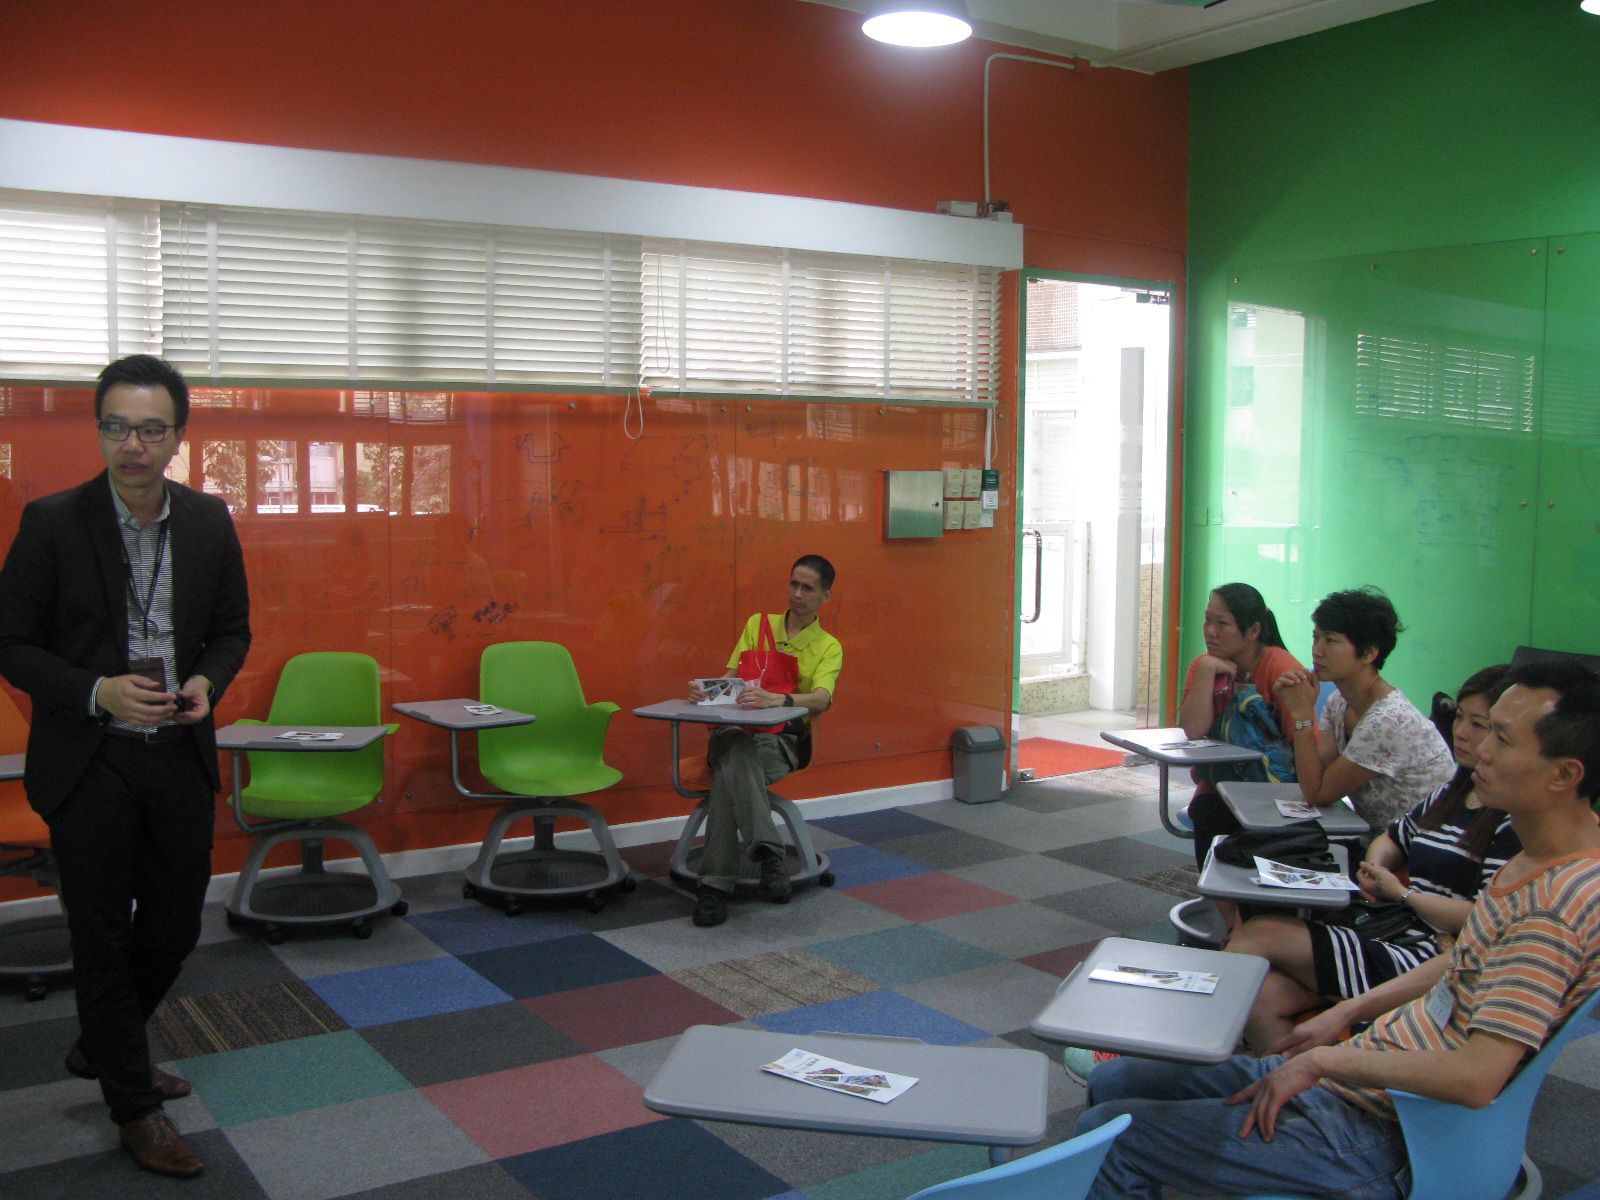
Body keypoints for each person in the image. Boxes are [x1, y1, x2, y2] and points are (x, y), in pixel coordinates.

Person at [1073, 659, 1600, 1200]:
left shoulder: (1551, 911)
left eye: (1502, 739)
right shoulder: (1538, 855)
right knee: (1115, 1081)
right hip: (1364, 1080)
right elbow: (1466, 957)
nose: (1480, 749)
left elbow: (1476, 1078)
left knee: (1107, 1135)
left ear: (1564, 774)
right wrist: (1349, 1013)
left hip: (1389, 1130)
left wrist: (1326, 1060)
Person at [0, 355, 251, 1178]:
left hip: (176, 751)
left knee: (175, 926)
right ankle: (134, 1105)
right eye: (117, 427)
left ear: (177, 437)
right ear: (99, 430)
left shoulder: (208, 520)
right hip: (90, 757)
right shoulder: (53, 522)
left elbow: (231, 630)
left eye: (150, 429)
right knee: (101, 935)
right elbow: (11, 643)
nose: (133, 445)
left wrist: (207, 682)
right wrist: (97, 690)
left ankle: (104, 1047)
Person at [1228, 664, 1521, 1053]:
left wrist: (1402, 894)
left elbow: (1482, 920)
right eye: (1459, 718)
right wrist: (1378, 865)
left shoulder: (1512, 821)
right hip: (1394, 925)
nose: (1461, 732)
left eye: (1480, 725)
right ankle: (1289, 1083)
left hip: (1431, 953)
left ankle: (1198, 1039)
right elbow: (1394, 837)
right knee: (1262, 998)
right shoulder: (1455, 791)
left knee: (1261, 932)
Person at [688, 554, 841, 928]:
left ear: (825, 596)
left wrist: (780, 700)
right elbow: (731, 679)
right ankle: (769, 853)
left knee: (728, 777)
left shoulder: (828, 646)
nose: (797, 594)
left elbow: (822, 698)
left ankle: (713, 887)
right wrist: (706, 692)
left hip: (781, 743)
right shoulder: (758, 624)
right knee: (736, 746)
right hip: (732, 733)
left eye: (808, 588)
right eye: (793, 584)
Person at [1273, 587, 1455, 831]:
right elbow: (1317, 774)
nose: (1317, 650)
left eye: (1331, 641)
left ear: (1368, 653)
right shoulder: (1338, 702)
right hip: (1377, 838)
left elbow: (1317, 793)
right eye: (1316, 638)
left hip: (1416, 845)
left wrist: (1302, 715)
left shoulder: (1387, 721)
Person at [1180, 583, 1305, 870]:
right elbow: (1193, 730)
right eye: (1207, 620)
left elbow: (1303, 744)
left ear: (1253, 631)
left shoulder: (1280, 669)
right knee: (1207, 812)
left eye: (1222, 623)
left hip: (1274, 788)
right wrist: (1207, 671)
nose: (1210, 631)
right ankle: (1220, 894)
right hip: (1220, 787)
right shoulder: (1204, 665)